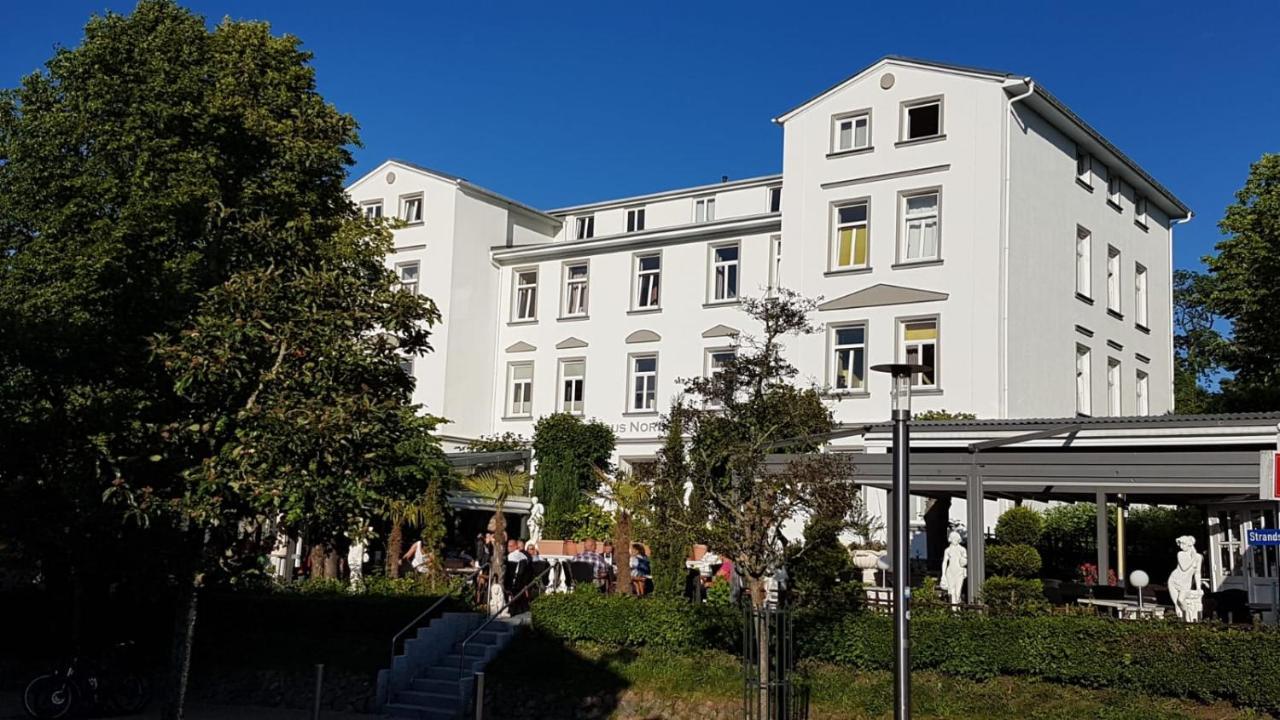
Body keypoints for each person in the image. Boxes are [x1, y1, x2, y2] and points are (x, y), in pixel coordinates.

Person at [1167, 535, 1204, 622]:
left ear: (1189, 545)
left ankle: (1188, 616)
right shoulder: (1180, 554)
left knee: (1180, 600)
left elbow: (1197, 573)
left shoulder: (1198, 557)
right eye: (1180, 544)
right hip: (1174, 580)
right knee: (1177, 604)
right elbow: (1184, 567)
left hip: (1185, 583)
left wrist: (1198, 587)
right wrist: (1193, 559)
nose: (1181, 546)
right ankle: (1183, 620)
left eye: (1183, 544)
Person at [939, 531, 967, 607]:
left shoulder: (962, 549)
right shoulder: (947, 550)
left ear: (958, 539)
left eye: (956, 538)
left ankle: (957, 608)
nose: (955, 540)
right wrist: (943, 575)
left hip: (959, 572)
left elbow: (965, 561)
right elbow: (945, 562)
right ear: (950, 539)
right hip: (950, 572)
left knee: (958, 592)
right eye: (953, 538)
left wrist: (964, 560)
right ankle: (953, 610)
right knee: (951, 591)